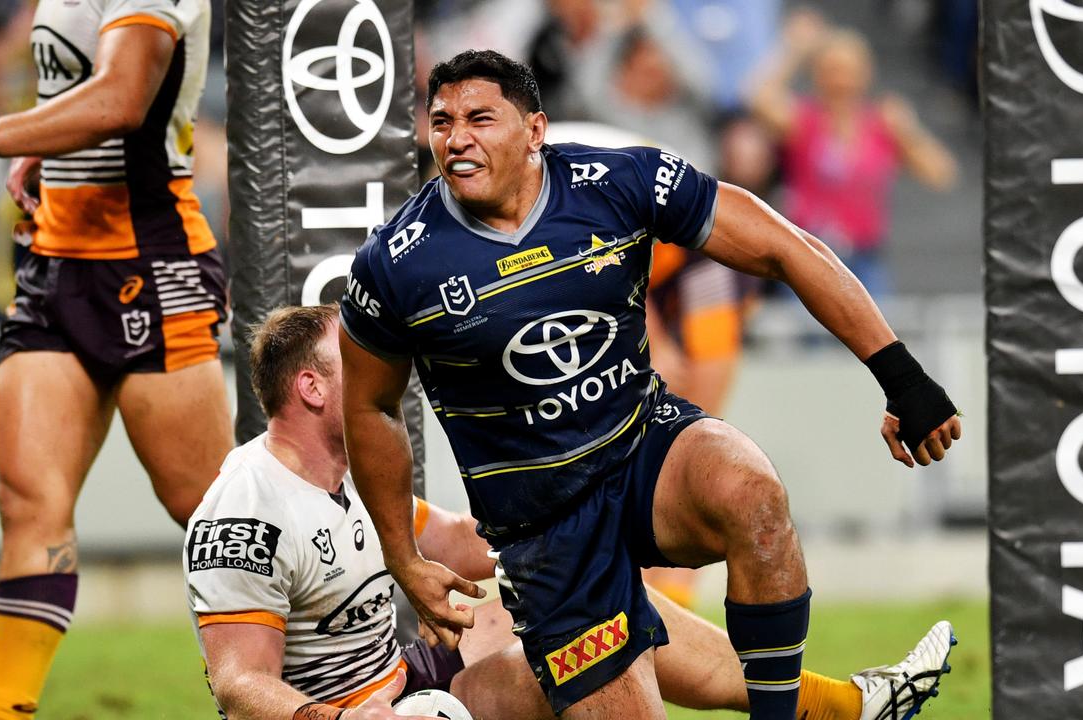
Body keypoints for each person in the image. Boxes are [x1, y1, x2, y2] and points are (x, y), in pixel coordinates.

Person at [338, 50, 962, 720]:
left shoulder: (617, 180)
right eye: (442, 121)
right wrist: (401, 557)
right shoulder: (395, 265)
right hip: (544, 530)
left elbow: (782, 245)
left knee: (750, 491)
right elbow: (370, 407)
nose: (456, 137)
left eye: (480, 118)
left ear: (534, 130)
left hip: (641, 451)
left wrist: (902, 377)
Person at [187, 303, 956, 720]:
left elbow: (463, 543)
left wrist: (579, 523)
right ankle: (842, 710)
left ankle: (842, 706)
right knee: (574, 652)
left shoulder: (358, 476)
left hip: (408, 676)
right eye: (353, 362)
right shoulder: (243, 513)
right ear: (314, 390)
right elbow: (238, 684)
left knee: (590, 597)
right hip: (353, 715)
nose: (383, 372)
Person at [0, 1, 231, 718]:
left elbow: (121, 100)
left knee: (217, 515)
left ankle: (312, 677)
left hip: (150, 262)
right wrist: (47, 144)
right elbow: (80, 94)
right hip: (56, 261)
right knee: (28, 505)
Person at [751, 10, 957, 297]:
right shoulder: (804, 120)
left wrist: (909, 132)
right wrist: (794, 49)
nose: (841, 81)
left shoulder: (880, 124)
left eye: (848, 70)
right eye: (832, 70)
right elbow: (758, 98)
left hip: (865, 258)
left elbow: (941, 173)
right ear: (817, 74)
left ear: (866, 73)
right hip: (808, 253)